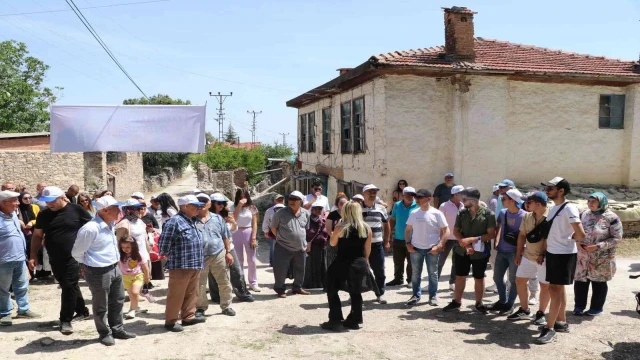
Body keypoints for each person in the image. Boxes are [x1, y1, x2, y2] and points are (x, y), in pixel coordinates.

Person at [72, 195, 137, 346]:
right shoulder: (90, 228)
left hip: (114, 267)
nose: (119, 211)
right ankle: (104, 333)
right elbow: (77, 252)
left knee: (118, 299)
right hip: (98, 271)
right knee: (101, 304)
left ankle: (117, 329)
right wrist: (89, 264)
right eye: (116, 208)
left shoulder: (111, 224)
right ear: (106, 210)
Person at [29, 186, 92, 334]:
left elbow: (92, 229)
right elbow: (37, 235)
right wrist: (32, 255)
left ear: (62, 197)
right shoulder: (44, 215)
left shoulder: (76, 210)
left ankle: (65, 320)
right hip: (54, 257)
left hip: (74, 257)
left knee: (68, 285)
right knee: (68, 284)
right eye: (46, 201)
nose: (49, 204)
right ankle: (82, 311)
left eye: (52, 201)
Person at [535, 177, 586, 344]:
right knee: (558, 289)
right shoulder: (554, 208)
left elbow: (580, 234)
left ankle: (549, 328)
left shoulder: (569, 208)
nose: (547, 191)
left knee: (554, 290)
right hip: (552, 252)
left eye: (551, 188)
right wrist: (543, 252)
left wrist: (568, 239)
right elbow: (550, 234)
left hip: (563, 254)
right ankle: (561, 322)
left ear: (561, 190)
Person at [443, 187, 496, 313]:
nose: (462, 201)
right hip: (462, 251)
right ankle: (457, 302)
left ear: (472, 200)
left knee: (479, 277)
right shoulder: (462, 213)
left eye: (464, 199)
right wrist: (466, 244)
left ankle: (479, 303)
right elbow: (456, 231)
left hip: (480, 253)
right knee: (460, 276)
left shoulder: (488, 214)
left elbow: (491, 234)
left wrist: (472, 239)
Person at [158, 195, 206, 332]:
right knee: (176, 294)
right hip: (180, 265)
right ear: (185, 207)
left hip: (195, 263)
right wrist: (168, 255)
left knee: (192, 292)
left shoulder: (193, 221)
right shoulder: (175, 221)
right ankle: (171, 321)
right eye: (195, 205)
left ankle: (188, 316)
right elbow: (163, 244)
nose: (198, 208)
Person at [321, 201, 371, 331]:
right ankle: (354, 320)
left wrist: (335, 231)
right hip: (359, 263)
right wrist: (366, 262)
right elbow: (367, 249)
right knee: (356, 292)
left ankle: (335, 320)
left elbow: (332, 243)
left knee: (332, 289)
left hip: (342, 262)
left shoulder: (341, 227)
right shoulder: (366, 228)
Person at [574, 192, 622, 317]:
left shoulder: (612, 218)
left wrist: (598, 246)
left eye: (594, 201)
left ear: (601, 202)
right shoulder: (583, 214)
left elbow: (617, 238)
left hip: (601, 258)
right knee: (580, 281)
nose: (590, 204)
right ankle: (579, 306)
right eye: (589, 201)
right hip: (583, 256)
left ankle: (596, 307)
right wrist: (577, 242)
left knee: (599, 282)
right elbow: (574, 230)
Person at [508, 191, 550, 325]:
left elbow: (549, 238)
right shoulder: (527, 216)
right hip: (528, 255)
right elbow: (522, 235)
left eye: (528, 202)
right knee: (519, 280)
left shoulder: (551, 216)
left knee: (545, 286)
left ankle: (541, 313)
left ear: (538, 204)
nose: (525, 204)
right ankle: (525, 310)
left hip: (544, 258)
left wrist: (543, 254)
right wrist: (518, 253)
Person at [0, 190, 40, 326]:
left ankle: (23, 309)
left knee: (22, 285)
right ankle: (5, 313)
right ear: (4, 203)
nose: (18, 203)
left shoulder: (14, 216)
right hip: (3, 260)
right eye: (14, 201)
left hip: (19, 258)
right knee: (3, 288)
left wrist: (26, 257)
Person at [194, 193, 236, 317]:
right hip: (199, 256)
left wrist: (228, 252)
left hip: (218, 254)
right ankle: (200, 308)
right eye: (198, 201)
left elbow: (225, 236)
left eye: (204, 201)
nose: (201, 204)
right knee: (200, 284)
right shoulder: (191, 219)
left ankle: (226, 306)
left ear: (209, 203)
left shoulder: (217, 219)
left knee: (224, 281)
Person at [405, 189, 449, 306]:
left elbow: (446, 230)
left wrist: (439, 245)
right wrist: (408, 244)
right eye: (416, 197)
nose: (417, 200)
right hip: (415, 248)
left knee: (432, 273)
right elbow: (408, 230)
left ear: (428, 199)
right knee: (415, 273)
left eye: (420, 197)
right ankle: (415, 295)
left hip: (432, 249)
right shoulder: (414, 213)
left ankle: (433, 296)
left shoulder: (437, 213)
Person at [208, 193, 255, 303]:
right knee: (214, 273)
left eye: (223, 203)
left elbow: (233, 230)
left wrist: (233, 223)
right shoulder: (207, 217)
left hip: (229, 247)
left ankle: (243, 293)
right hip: (214, 248)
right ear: (212, 204)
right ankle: (216, 296)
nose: (221, 206)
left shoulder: (226, 215)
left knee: (237, 270)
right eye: (219, 203)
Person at [490, 189, 525, 315]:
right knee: (497, 277)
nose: (502, 200)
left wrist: (519, 253)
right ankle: (502, 300)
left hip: (515, 252)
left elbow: (524, 236)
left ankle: (510, 304)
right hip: (501, 251)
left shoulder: (524, 216)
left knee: (513, 279)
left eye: (504, 198)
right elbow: (498, 227)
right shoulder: (503, 213)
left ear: (512, 200)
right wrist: (496, 241)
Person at [270, 191, 311, 298]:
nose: (291, 201)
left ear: (301, 201)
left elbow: (305, 229)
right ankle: (280, 289)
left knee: (300, 269)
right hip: (283, 247)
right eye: (290, 199)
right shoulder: (280, 213)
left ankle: (297, 287)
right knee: (280, 270)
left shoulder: (306, 213)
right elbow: (273, 227)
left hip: (300, 248)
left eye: (294, 199)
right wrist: (281, 237)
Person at [361, 184, 390, 304]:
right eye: (370, 192)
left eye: (374, 192)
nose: (372, 194)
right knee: (359, 270)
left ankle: (380, 294)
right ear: (364, 194)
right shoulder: (356, 208)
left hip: (377, 244)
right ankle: (357, 295)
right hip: (360, 245)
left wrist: (387, 241)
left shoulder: (381, 208)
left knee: (379, 270)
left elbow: (387, 225)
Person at [387, 186, 418, 287]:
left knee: (411, 261)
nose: (410, 196)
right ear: (403, 195)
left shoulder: (417, 206)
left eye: (412, 194)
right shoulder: (397, 205)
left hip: (413, 239)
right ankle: (398, 279)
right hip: (398, 237)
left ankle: (410, 280)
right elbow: (392, 219)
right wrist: (389, 234)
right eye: (408, 194)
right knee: (397, 261)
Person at [230, 189, 260, 292]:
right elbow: (233, 218)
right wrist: (238, 206)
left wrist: (254, 237)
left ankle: (253, 282)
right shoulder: (232, 207)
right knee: (238, 260)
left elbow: (255, 223)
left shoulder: (252, 208)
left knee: (251, 260)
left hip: (248, 231)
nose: (243, 199)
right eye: (240, 196)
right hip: (236, 232)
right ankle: (240, 283)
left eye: (244, 196)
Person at [438, 185, 465, 291]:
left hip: (459, 238)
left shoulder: (464, 205)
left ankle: (452, 282)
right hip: (447, 238)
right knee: (440, 261)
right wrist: (441, 241)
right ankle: (434, 282)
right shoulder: (444, 206)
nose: (464, 195)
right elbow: (440, 224)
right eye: (462, 193)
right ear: (455, 194)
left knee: (456, 262)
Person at [118, 237, 150, 320]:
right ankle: (136, 308)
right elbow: (118, 266)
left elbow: (145, 267)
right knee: (131, 295)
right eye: (123, 247)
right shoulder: (120, 255)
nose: (125, 249)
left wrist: (147, 277)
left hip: (137, 276)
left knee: (135, 292)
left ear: (133, 246)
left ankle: (132, 310)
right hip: (125, 277)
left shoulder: (139, 255)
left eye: (128, 247)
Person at [303, 202, 329, 289]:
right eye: (316, 208)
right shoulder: (307, 219)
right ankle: (310, 283)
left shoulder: (324, 220)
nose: (318, 210)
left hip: (322, 247)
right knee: (310, 265)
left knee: (321, 265)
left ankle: (321, 283)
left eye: (320, 209)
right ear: (312, 209)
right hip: (311, 247)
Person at [17, 192, 40, 276]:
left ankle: (35, 273)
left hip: (34, 232)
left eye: (29, 198)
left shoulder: (35, 207)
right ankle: (26, 274)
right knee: (24, 251)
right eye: (25, 198)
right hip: (22, 232)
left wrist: (32, 222)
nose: (28, 200)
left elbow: (39, 219)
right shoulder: (17, 208)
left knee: (33, 251)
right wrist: (20, 222)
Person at [262, 194, 285, 267]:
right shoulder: (269, 211)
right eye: (278, 200)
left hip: (285, 231)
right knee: (273, 247)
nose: (280, 201)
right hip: (273, 231)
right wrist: (265, 231)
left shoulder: (288, 209)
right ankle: (272, 262)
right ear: (275, 201)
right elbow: (266, 221)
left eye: (281, 199)